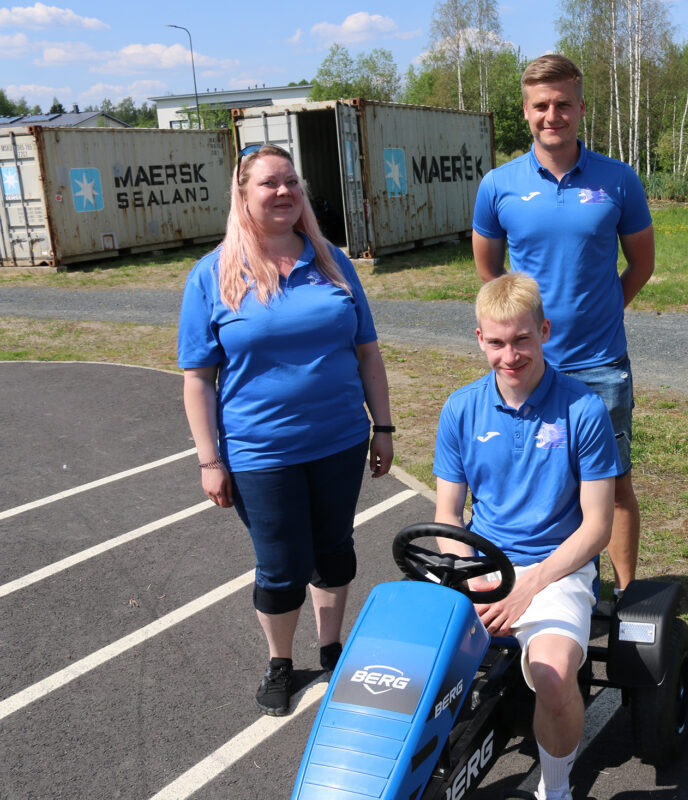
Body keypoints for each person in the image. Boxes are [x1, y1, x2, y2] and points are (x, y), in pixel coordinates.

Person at [178, 144, 394, 716]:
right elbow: (198, 380)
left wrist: (384, 426)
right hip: (259, 450)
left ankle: (330, 649)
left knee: (335, 549)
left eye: (291, 182)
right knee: (280, 565)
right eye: (269, 183)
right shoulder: (213, 274)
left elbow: (367, 352)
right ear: (243, 195)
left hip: (341, 440)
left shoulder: (331, 261)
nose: (284, 192)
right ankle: (280, 662)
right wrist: (209, 460)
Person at [472, 53, 654, 601]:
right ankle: (546, 583)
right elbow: (489, 273)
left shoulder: (618, 179)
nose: (553, 115)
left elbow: (640, 264)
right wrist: (523, 329)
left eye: (563, 105)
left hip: (600, 363)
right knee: (530, 481)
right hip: (526, 362)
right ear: (526, 111)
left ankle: (624, 597)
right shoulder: (498, 185)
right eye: (541, 106)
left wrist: (604, 310)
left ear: (580, 108)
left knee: (614, 484)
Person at [433, 273, 619, 800]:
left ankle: (555, 791)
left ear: (544, 331)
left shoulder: (583, 409)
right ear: (479, 340)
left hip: (557, 565)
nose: (509, 355)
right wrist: (471, 576)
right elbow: (448, 514)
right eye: (496, 342)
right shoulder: (460, 409)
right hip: (482, 562)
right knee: (410, 656)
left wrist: (529, 585)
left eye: (521, 340)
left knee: (556, 678)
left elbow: (598, 527)